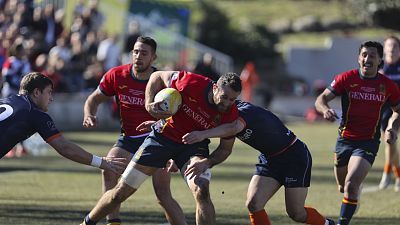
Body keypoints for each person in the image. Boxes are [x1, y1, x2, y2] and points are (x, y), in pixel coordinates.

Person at [80, 70, 242, 225]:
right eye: (224, 97)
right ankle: (87, 222)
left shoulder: (231, 114)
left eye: (232, 100)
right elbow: (157, 76)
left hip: (193, 147)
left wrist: (208, 162)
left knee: (202, 191)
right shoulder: (191, 82)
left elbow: (225, 149)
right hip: (162, 139)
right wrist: (149, 105)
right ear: (215, 88)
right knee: (120, 193)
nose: (226, 103)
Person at [82, 36, 186, 225]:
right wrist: (89, 114)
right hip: (129, 140)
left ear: (153, 57)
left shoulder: (163, 84)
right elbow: (94, 99)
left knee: (162, 195)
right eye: (136, 52)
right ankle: (113, 222)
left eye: (144, 53)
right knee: (109, 168)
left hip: (158, 141)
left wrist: (174, 149)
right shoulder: (117, 75)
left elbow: (180, 115)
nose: (138, 56)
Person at [182, 100, 335, 225]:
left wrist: (202, 134)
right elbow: (224, 150)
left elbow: (234, 127)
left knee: (296, 213)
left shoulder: (244, 111)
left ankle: (328, 224)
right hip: (270, 159)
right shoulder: (226, 117)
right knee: (254, 204)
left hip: (293, 156)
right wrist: (204, 162)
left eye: (228, 99)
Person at [314, 41, 400, 225]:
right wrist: (324, 110)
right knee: (342, 187)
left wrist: (392, 128)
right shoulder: (346, 78)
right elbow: (321, 99)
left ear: (379, 61)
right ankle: (353, 196)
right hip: (344, 140)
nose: (367, 59)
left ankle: (341, 223)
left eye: (372, 56)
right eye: (364, 55)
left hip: (368, 142)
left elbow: (398, 110)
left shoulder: (388, 86)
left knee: (351, 185)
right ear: (358, 58)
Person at [0, 72, 126, 172]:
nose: (51, 98)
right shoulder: (36, 114)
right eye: (49, 92)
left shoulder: (6, 100)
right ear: (37, 92)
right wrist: (102, 162)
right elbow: (65, 147)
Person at [378, 35, 400, 191]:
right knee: (389, 141)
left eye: (395, 46)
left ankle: (387, 173)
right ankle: (396, 175)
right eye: (389, 46)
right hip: (386, 110)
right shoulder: (379, 67)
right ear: (384, 49)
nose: (392, 49)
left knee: (390, 137)